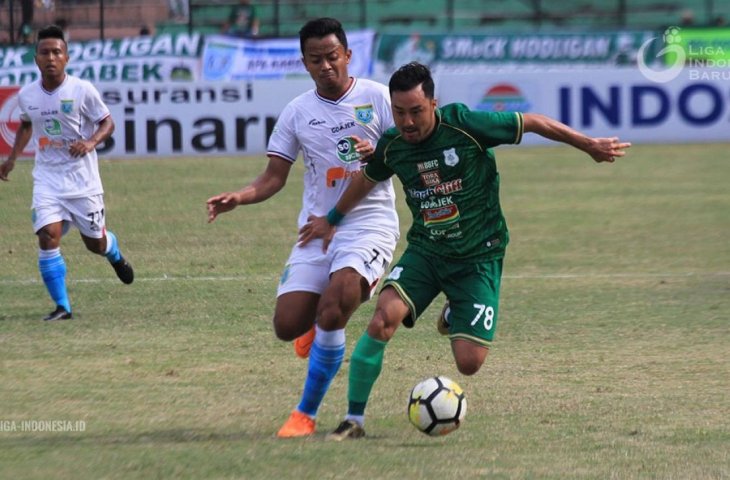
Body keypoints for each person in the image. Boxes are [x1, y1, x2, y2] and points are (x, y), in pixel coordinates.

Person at [298, 62, 631, 440]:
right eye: (399, 112)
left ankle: (456, 308)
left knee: (469, 363)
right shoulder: (394, 146)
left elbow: (532, 121)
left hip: (478, 257)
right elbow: (367, 177)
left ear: (434, 104)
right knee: (381, 320)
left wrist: (589, 144)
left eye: (416, 111)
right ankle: (353, 420)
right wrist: (333, 218)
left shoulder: (465, 125)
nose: (407, 121)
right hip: (427, 252)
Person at [206, 17, 399, 438]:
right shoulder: (297, 112)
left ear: (348, 55)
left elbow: (411, 145)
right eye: (317, 60)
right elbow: (273, 177)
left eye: (333, 57)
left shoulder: (378, 98)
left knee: (335, 306)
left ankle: (304, 414)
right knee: (286, 325)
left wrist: (382, 150)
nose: (327, 66)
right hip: (316, 230)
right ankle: (317, 323)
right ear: (305, 63)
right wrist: (239, 196)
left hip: (369, 224)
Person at [0, 25, 134, 322]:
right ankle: (63, 307)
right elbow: (25, 124)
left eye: (56, 52)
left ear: (66, 58)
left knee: (94, 244)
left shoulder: (81, 90)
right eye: (45, 52)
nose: (51, 57)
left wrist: (89, 143)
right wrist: (10, 159)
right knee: (48, 236)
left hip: (82, 181)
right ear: (36, 59)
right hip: (47, 178)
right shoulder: (27, 95)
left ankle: (113, 252)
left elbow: (107, 123)